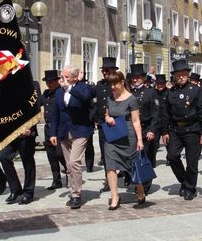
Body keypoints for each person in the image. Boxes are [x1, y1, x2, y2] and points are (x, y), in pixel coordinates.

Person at [161, 60, 202, 200]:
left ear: (188, 75)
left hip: (193, 129)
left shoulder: (196, 90)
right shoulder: (171, 92)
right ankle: (184, 180)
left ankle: (190, 188)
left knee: (191, 161)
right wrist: (164, 131)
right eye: (178, 75)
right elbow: (166, 113)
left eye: (183, 74)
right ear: (174, 76)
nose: (181, 77)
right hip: (176, 129)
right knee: (172, 156)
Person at [50, 65, 95, 209]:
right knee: (68, 164)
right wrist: (53, 133)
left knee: (74, 161)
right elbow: (55, 114)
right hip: (64, 131)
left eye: (66, 77)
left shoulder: (83, 88)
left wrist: (69, 88)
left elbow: (86, 97)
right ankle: (72, 191)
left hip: (81, 130)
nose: (62, 79)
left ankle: (77, 194)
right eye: (62, 76)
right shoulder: (58, 93)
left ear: (75, 77)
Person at [103, 71, 144, 210]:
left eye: (115, 83)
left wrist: (139, 140)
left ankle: (139, 189)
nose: (112, 87)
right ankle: (115, 196)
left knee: (132, 165)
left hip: (128, 137)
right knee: (110, 165)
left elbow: (136, 120)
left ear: (122, 82)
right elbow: (107, 114)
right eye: (111, 84)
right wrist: (108, 119)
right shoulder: (110, 97)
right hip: (112, 136)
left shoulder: (131, 99)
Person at [0, 80, 40, 205]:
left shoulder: (32, 84)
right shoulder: (4, 85)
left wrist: (30, 128)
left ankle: (28, 192)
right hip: (10, 132)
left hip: (26, 132)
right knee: (3, 156)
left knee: (28, 162)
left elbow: (35, 107)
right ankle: (15, 189)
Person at [129, 64, 159, 194]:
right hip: (131, 131)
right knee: (133, 158)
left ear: (143, 77)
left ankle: (145, 185)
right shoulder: (129, 93)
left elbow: (156, 113)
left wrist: (152, 129)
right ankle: (136, 181)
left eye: (138, 77)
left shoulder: (150, 92)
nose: (135, 80)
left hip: (146, 129)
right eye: (133, 78)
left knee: (145, 158)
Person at [91, 57, 118, 193]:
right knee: (106, 154)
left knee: (119, 152)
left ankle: (127, 173)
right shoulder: (99, 85)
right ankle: (108, 180)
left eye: (107, 70)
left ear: (113, 71)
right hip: (103, 124)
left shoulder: (118, 84)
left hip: (116, 123)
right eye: (103, 71)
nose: (104, 73)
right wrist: (95, 119)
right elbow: (96, 104)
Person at [42, 70, 67, 190]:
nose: (49, 84)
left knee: (60, 153)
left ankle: (69, 172)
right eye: (47, 82)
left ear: (57, 81)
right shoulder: (46, 93)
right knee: (51, 155)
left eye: (51, 81)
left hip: (58, 127)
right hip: (48, 127)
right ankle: (56, 180)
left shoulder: (62, 92)